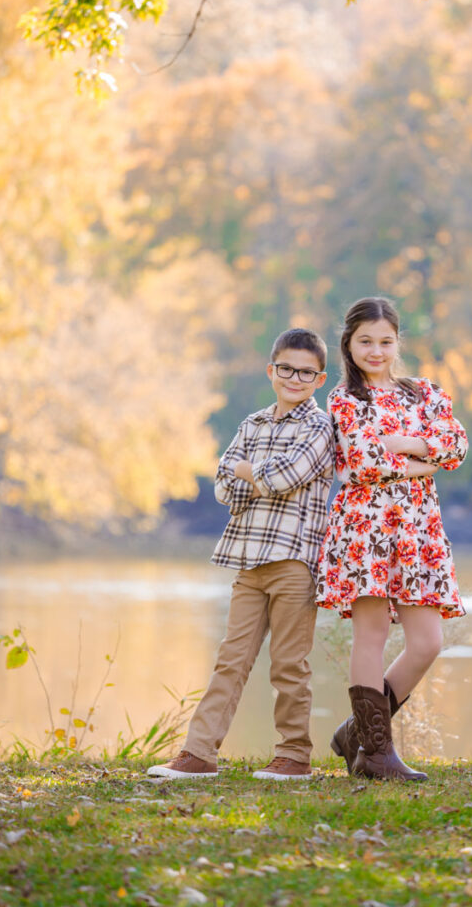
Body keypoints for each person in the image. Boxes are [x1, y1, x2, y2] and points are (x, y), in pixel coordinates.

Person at [148, 328, 334, 781]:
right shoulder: (252, 423)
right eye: (286, 369)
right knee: (230, 659)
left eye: (305, 372)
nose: (294, 378)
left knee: (290, 663)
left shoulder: (321, 427)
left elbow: (285, 477)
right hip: (248, 559)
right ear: (272, 370)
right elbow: (222, 485)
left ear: (320, 379)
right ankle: (199, 753)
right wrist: (253, 475)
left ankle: (293, 755)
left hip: (294, 561)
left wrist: (250, 472)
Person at [316, 296, 468, 781]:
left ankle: (354, 734)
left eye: (385, 341)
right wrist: (427, 457)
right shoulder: (344, 399)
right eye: (366, 341)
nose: (376, 351)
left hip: (419, 529)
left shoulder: (424, 392)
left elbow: (458, 445)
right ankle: (376, 756)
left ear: (397, 341)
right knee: (372, 634)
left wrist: (401, 445)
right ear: (349, 343)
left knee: (427, 642)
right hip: (367, 528)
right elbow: (362, 464)